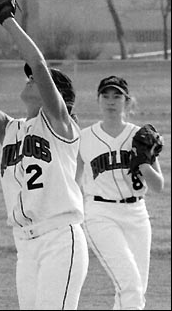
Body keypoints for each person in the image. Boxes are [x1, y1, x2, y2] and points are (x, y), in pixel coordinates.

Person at [0, 0, 89, 310]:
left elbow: (40, 66)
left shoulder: (61, 125)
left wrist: (7, 21)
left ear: (59, 97)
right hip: (25, 246)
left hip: (60, 240)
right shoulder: (9, 129)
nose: (30, 78)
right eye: (27, 76)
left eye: (39, 80)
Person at [76, 76, 164, 310]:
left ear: (127, 101)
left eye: (117, 96)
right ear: (98, 100)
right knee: (130, 285)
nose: (111, 101)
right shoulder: (84, 137)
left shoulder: (141, 136)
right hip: (100, 214)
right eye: (105, 95)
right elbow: (74, 181)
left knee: (134, 290)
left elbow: (158, 186)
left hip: (137, 215)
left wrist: (144, 164)